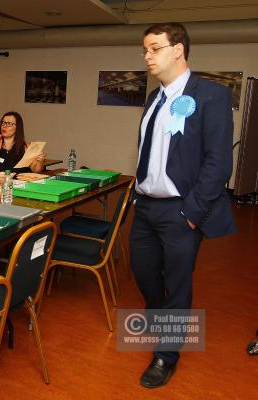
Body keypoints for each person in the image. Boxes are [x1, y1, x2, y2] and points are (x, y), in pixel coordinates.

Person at [130, 23, 235, 388]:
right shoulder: (153, 99)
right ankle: (163, 323)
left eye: (154, 48)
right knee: (142, 272)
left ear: (178, 50)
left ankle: (166, 355)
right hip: (144, 208)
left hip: (180, 211)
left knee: (178, 284)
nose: (147, 56)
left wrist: (192, 212)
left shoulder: (211, 96)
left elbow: (218, 163)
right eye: (145, 49)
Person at [0, 111, 46, 176]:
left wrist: (41, 160)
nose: (4, 126)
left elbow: (36, 171)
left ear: (18, 127)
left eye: (9, 123)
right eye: (3, 122)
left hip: (18, 186)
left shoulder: (26, 147)